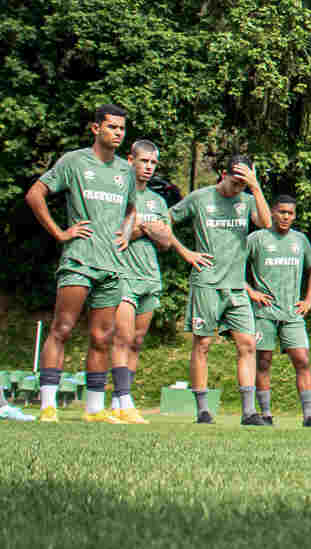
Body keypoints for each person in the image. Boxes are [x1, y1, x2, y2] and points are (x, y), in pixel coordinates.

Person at [25, 104, 137, 424]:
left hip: (112, 265)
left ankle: (93, 409)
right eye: (112, 127)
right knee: (62, 328)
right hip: (79, 260)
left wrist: (126, 234)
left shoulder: (125, 170)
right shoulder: (74, 161)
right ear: (95, 128)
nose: (118, 133)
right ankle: (48, 405)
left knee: (102, 338)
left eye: (121, 129)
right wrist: (61, 233)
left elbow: (131, 210)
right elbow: (35, 195)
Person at [168, 155, 271, 425]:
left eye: (243, 183)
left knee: (248, 344)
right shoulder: (200, 198)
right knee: (203, 344)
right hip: (207, 283)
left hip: (236, 286)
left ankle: (249, 412)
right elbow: (165, 220)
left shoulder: (247, 200)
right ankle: (202, 410)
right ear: (223, 175)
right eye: (235, 181)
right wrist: (185, 252)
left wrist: (255, 187)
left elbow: (266, 222)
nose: (238, 187)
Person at [109, 139, 174, 424]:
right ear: (130, 160)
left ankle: (119, 403)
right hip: (123, 274)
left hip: (150, 276)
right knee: (121, 337)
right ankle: (124, 398)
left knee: (136, 341)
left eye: (152, 163)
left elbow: (166, 241)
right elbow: (117, 234)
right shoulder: (117, 193)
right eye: (143, 161)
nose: (148, 167)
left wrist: (146, 230)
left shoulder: (158, 201)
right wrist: (144, 229)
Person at [246, 195, 311, 427]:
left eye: (290, 213)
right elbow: (233, 266)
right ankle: (266, 414)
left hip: (292, 314)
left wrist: (308, 299)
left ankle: (309, 416)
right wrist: (251, 292)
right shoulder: (257, 238)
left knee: (302, 360)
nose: (285, 217)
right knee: (264, 362)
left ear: (294, 215)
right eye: (281, 212)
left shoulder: (300, 240)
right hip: (264, 313)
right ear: (272, 212)